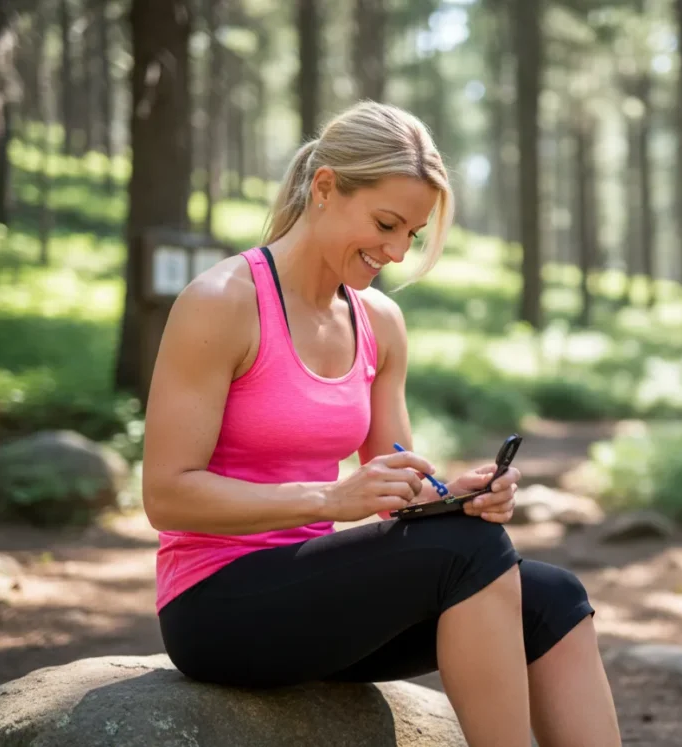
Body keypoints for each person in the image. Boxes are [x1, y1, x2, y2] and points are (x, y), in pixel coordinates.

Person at [142, 100, 621, 747]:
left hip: (318, 592)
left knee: (554, 597)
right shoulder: (224, 301)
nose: (396, 252)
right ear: (325, 187)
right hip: (217, 604)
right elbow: (166, 494)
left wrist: (454, 498)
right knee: (471, 557)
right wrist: (332, 498)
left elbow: (400, 473)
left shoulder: (379, 323)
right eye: (387, 223)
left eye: (412, 235)